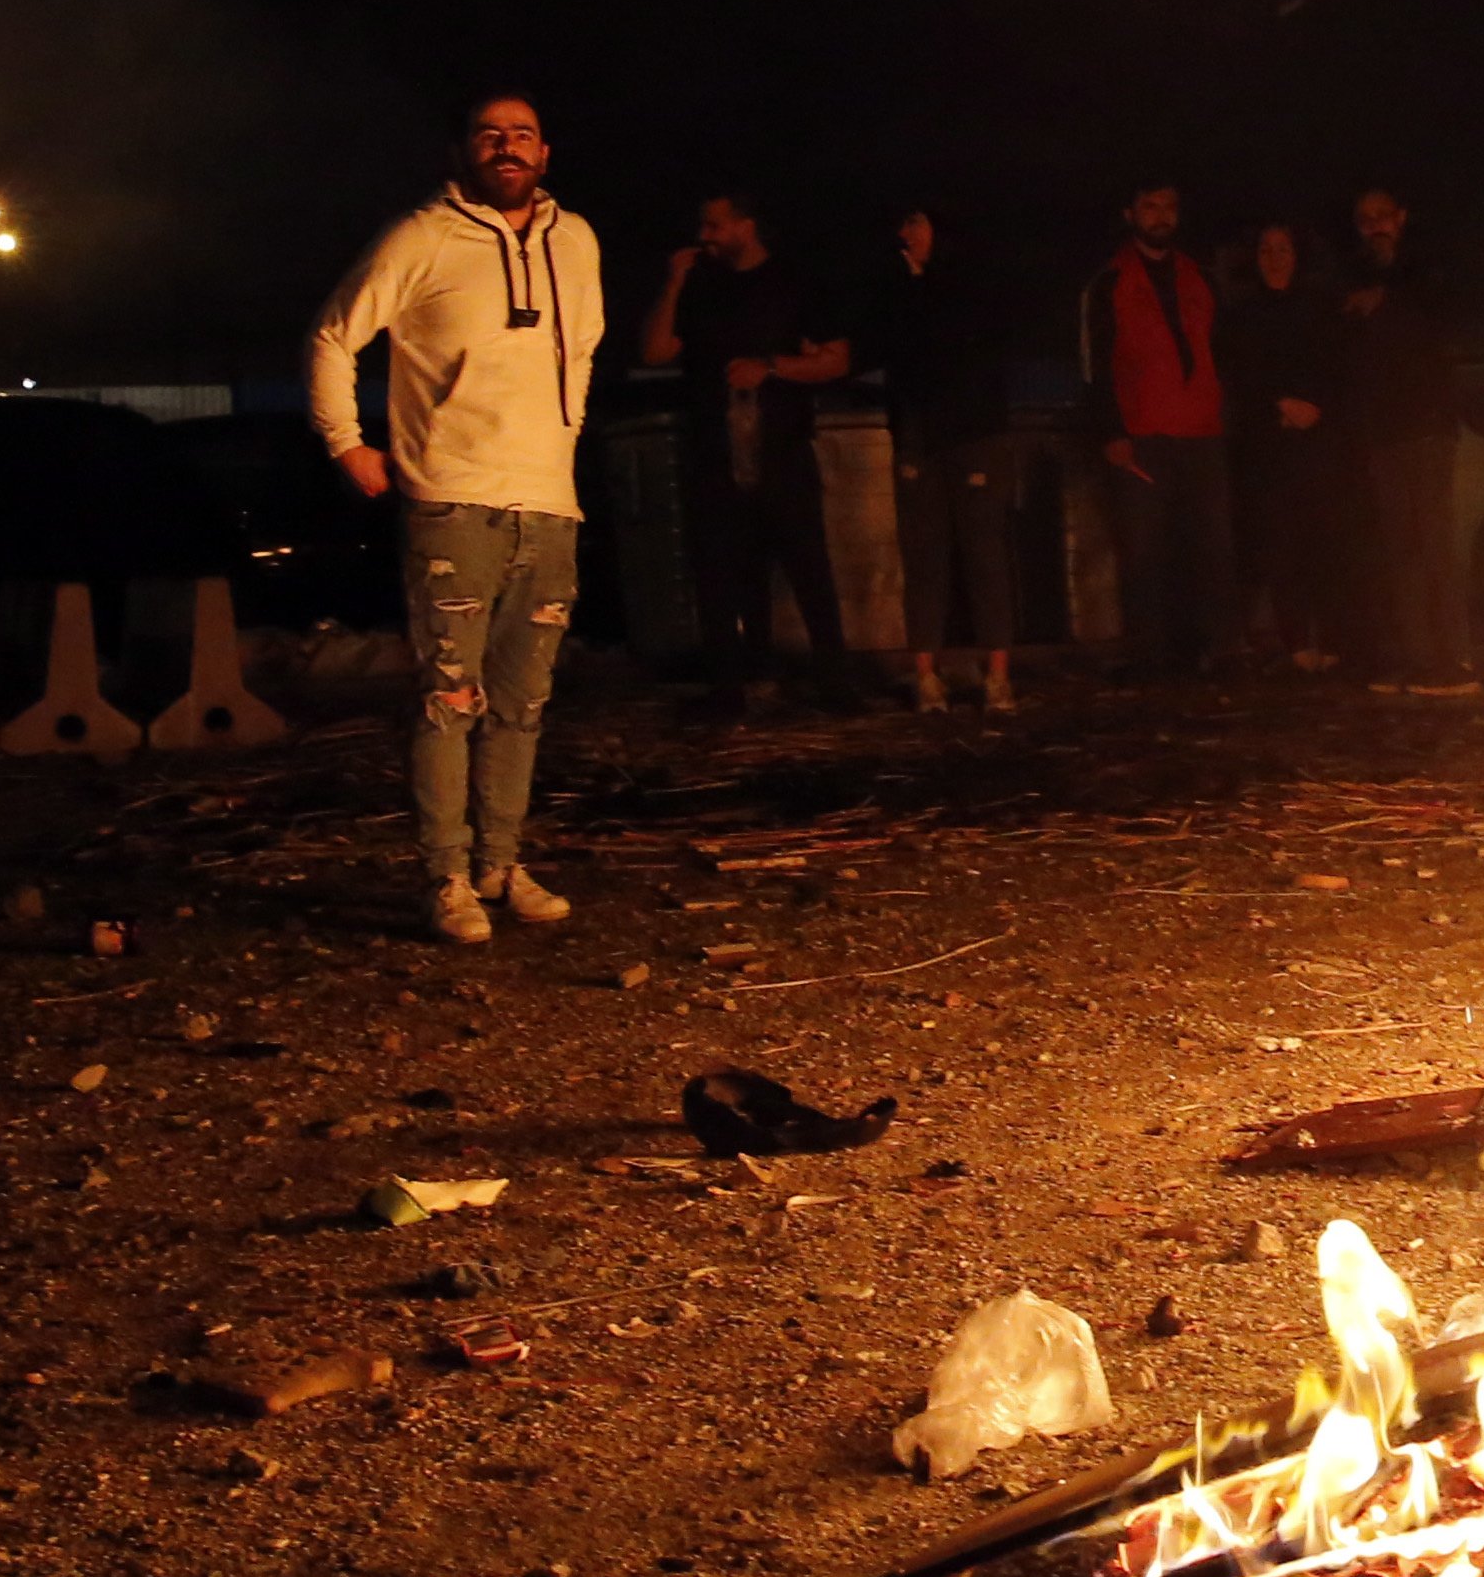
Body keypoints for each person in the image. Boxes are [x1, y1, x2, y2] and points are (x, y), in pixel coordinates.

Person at [307, 93, 608, 943]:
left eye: (521, 135)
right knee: (448, 697)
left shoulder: (576, 239)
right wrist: (347, 444)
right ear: (462, 152)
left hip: (548, 505)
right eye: (489, 135)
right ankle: (445, 876)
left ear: (545, 151)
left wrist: (563, 437)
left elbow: (581, 347)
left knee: (523, 703)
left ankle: (500, 864)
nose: (506, 147)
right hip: (453, 501)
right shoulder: (421, 236)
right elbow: (334, 335)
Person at [641, 187, 852, 705]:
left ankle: (837, 683)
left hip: (782, 450)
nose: (704, 236)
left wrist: (773, 368)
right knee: (718, 573)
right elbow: (655, 350)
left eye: (715, 226)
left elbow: (837, 359)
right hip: (714, 453)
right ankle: (728, 687)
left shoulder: (792, 282)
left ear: (745, 225)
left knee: (808, 568)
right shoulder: (700, 285)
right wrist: (674, 281)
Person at [1078, 180, 1238, 674]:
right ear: (1130, 214)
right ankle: (1153, 653)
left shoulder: (1200, 278)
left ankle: (1215, 649)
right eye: (1151, 206)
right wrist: (1110, 432)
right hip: (1142, 432)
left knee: (1210, 546)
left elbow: (1223, 351)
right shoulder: (1109, 281)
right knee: (1145, 551)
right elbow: (1094, 365)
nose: (1162, 215)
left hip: (1201, 430)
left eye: (1169, 205)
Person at [872, 207, 1018, 713]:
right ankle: (926, 676)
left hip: (975, 434)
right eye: (904, 224)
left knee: (984, 552)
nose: (905, 234)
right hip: (918, 438)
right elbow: (892, 349)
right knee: (924, 555)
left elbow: (964, 346)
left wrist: (922, 285)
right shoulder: (897, 286)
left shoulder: (971, 282)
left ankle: (998, 675)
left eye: (916, 223)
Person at [1343, 186, 1478, 695]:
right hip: (1382, 430)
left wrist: (1389, 297)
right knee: (1398, 550)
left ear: (1401, 218)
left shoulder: (1428, 269)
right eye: (1365, 218)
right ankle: (1415, 655)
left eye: (1383, 216)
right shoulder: (1352, 277)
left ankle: (1453, 660)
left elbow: (1441, 318)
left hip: (1426, 426)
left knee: (1434, 545)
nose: (1375, 225)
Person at [1221, 219, 1353, 671]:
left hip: (1320, 439)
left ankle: (1334, 641)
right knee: (1283, 543)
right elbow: (1240, 374)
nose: (1275, 257)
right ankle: (1297, 642)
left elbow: (1337, 367)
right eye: (1266, 249)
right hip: (1270, 441)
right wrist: (1277, 403)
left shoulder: (1320, 308)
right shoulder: (1243, 314)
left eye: (1283, 248)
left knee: (1326, 539)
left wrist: (1318, 408)